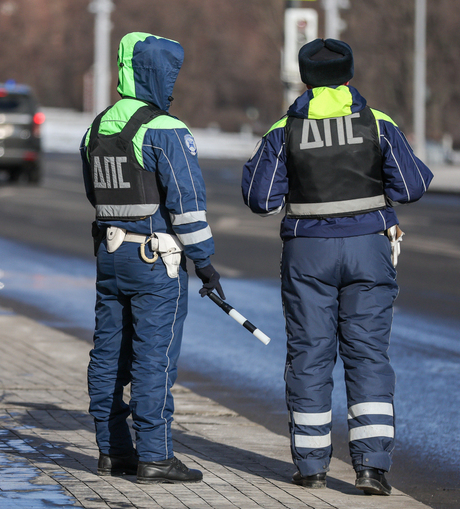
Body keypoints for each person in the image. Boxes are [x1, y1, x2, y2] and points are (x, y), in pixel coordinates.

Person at [241, 39, 433, 495]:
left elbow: (260, 198)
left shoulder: (284, 128)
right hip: (368, 248)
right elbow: (411, 185)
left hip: (308, 253)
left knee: (310, 355)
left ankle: (311, 468)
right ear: (349, 77)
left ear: (305, 80)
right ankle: (372, 470)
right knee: (367, 355)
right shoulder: (376, 122)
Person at [80, 32, 223, 484]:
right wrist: (205, 261)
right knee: (153, 359)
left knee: (107, 356)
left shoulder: (97, 127)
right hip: (155, 262)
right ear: (155, 74)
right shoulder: (165, 128)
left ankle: (113, 451)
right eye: (171, 74)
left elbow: (94, 195)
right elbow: (187, 203)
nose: (174, 83)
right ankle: (156, 456)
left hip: (110, 256)